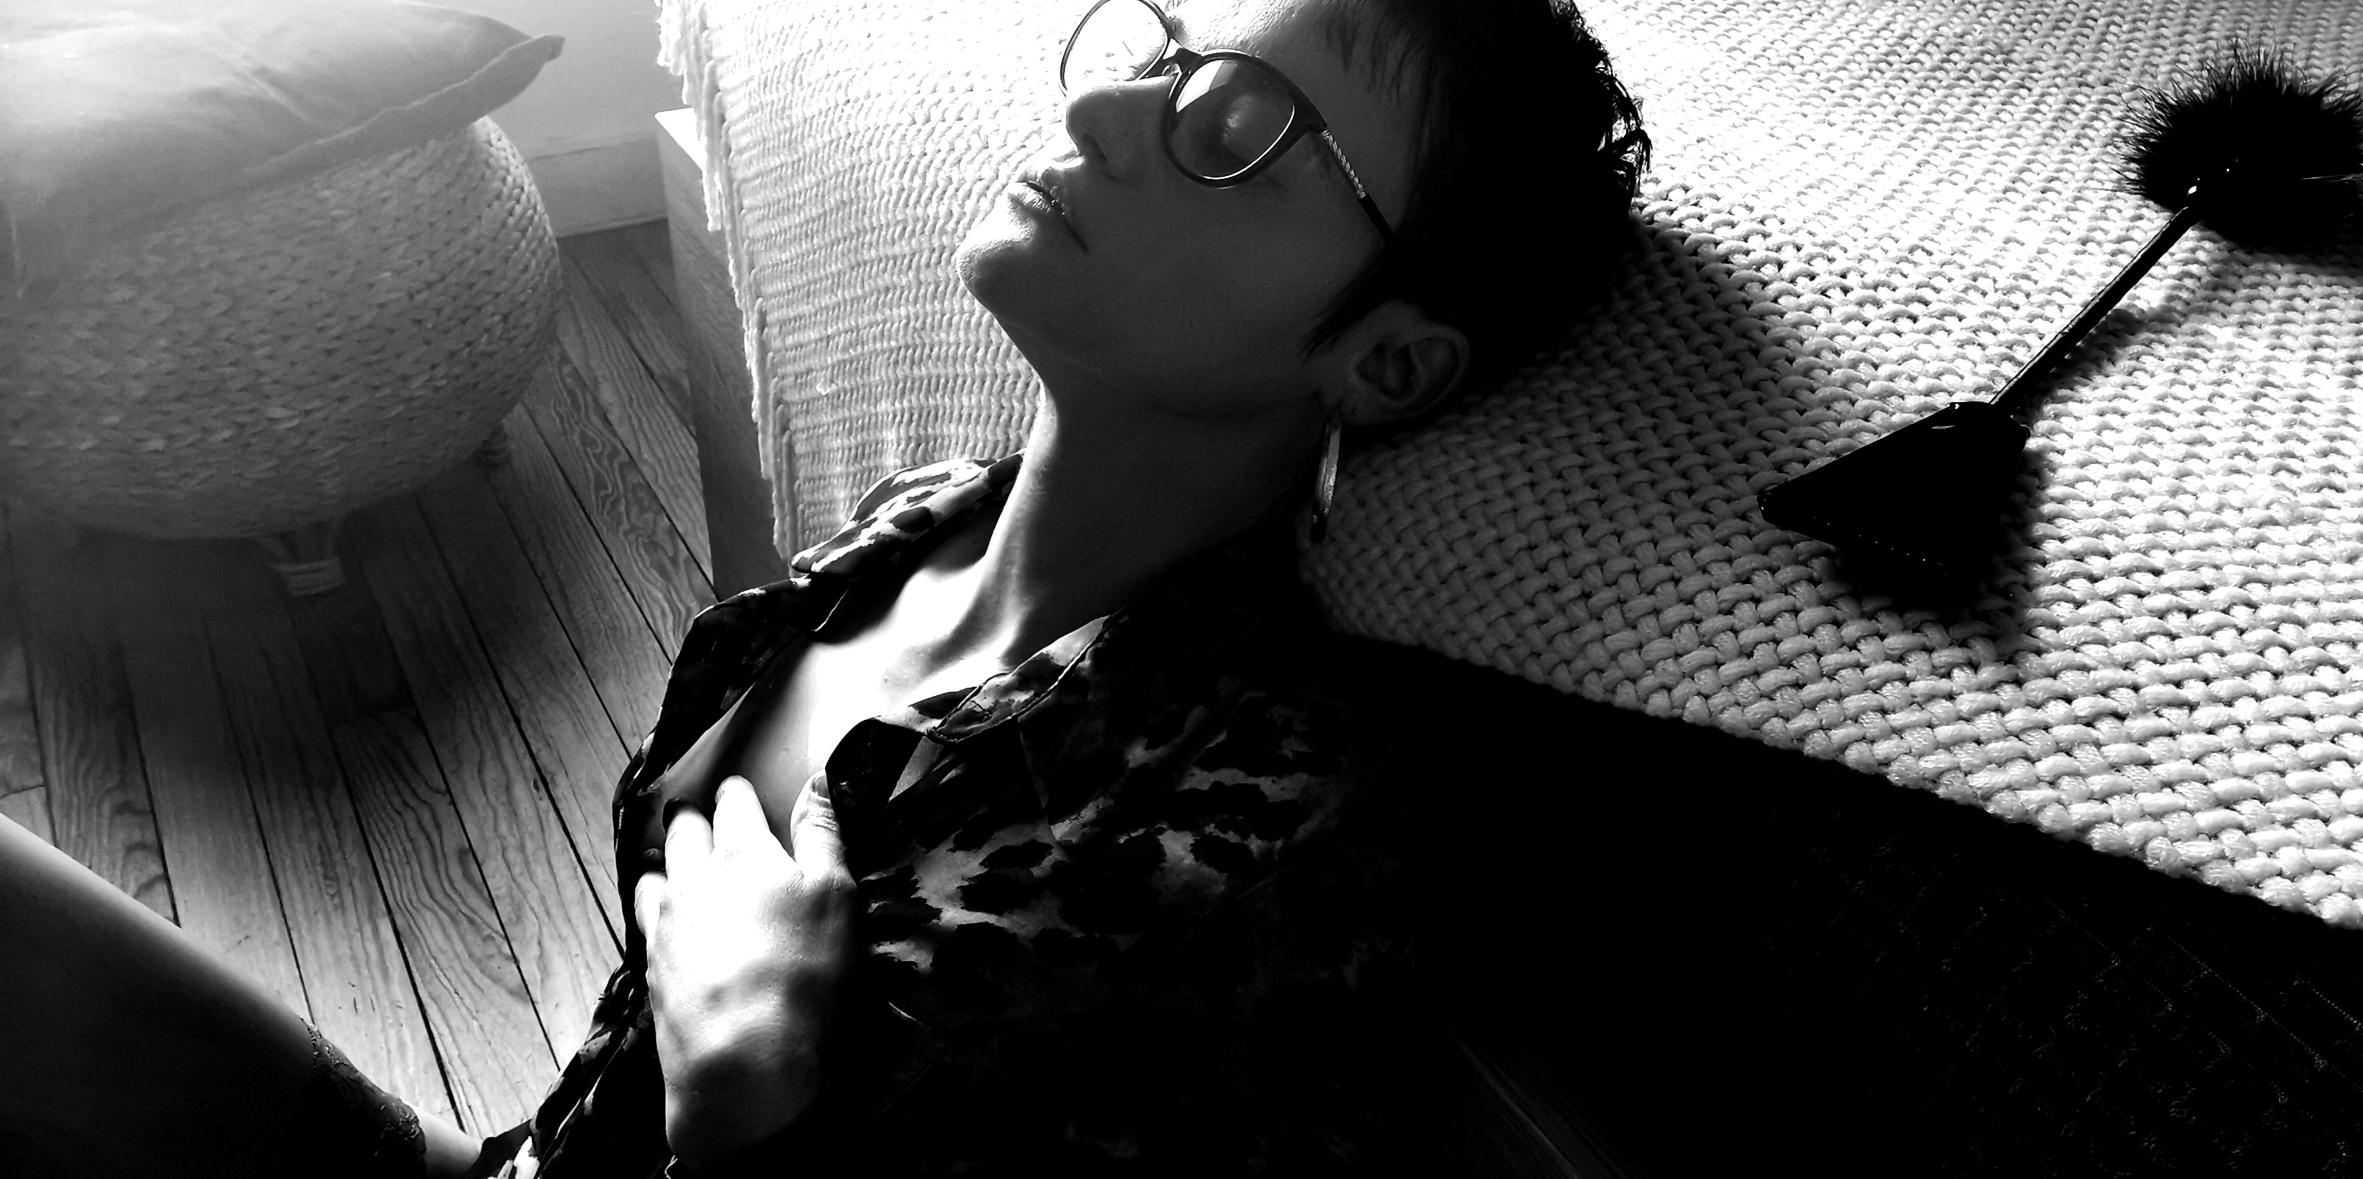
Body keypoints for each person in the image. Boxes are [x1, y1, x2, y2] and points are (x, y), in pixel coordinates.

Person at [0, 0, 1649, 1174]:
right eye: (1159, 59)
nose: (1095, 111)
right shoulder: (915, 526)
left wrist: (746, 1123)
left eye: (1235, 134)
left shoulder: (1251, 836)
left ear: (1389, 361)